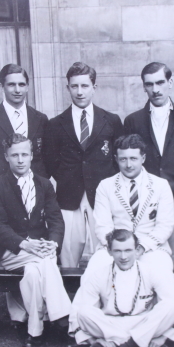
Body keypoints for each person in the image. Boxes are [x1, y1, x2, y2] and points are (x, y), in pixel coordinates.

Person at [0, 134, 71, 347]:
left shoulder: (44, 184)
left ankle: (35, 330)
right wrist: (25, 244)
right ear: (6, 157)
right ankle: (64, 317)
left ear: (32, 155)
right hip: (12, 251)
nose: (20, 160)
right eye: (15, 155)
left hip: (40, 249)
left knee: (34, 271)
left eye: (25, 154)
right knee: (43, 263)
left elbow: (55, 219)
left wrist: (53, 243)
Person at [44, 62, 124, 267]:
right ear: (68, 87)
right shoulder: (55, 124)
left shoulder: (111, 120)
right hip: (69, 196)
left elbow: (118, 158)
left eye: (85, 86)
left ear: (94, 87)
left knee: (106, 249)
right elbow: (50, 161)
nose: (79, 92)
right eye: (74, 86)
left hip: (102, 195)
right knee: (69, 253)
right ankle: (70, 298)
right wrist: (66, 178)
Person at [124, 62, 174, 267]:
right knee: (148, 262)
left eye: (160, 82)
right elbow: (127, 163)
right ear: (143, 87)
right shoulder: (133, 121)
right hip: (146, 205)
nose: (155, 89)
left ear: (170, 82)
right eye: (149, 84)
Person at [68, 229, 174, 347]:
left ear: (137, 250)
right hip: (110, 324)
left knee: (171, 305)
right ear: (109, 251)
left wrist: (163, 338)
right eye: (118, 251)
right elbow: (81, 310)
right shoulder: (98, 275)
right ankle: (141, 344)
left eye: (128, 250)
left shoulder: (152, 272)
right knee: (83, 311)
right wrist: (93, 340)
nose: (123, 257)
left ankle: (118, 345)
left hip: (144, 322)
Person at [89, 134, 174, 273]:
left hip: (151, 247)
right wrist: (120, 249)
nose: (129, 165)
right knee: (97, 268)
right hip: (114, 248)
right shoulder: (106, 186)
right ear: (116, 159)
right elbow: (102, 226)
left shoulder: (160, 185)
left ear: (143, 158)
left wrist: (141, 247)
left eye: (133, 159)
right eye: (123, 159)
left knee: (159, 270)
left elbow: (165, 226)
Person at [0, 64, 49, 178]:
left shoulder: (40, 118)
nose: (17, 90)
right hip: (4, 189)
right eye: (11, 85)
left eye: (21, 85)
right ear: (2, 87)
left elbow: (47, 158)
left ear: (27, 86)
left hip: (36, 188)